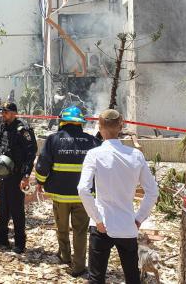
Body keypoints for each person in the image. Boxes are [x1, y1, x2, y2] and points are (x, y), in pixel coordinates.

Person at [78, 109, 158, 284]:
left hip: (102, 226)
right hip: (127, 225)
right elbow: (153, 191)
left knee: (96, 278)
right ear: (121, 127)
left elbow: (83, 189)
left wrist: (97, 219)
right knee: (132, 277)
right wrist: (138, 218)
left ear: (100, 127)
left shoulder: (94, 154)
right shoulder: (136, 155)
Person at [35, 106, 100, 278]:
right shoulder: (93, 142)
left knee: (61, 227)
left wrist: (40, 182)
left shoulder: (53, 140)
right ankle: (79, 267)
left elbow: (42, 166)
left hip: (60, 196)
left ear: (62, 121)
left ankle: (64, 256)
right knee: (80, 231)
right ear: (80, 123)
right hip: (84, 198)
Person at [0, 102, 37, 253]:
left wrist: (26, 176)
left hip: (17, 175)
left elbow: (31, 153)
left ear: (14, 113)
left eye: (5, 112)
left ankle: (19, 242)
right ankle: (2, 237)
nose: (2, 114)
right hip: (4, 174)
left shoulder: (22, 129)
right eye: (2, 112)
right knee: (3, 206)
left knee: (17, 209)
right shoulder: (3, 127)